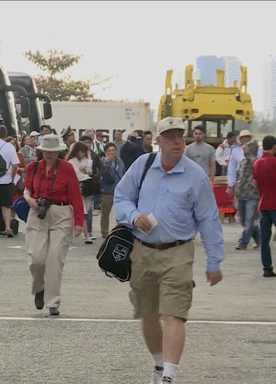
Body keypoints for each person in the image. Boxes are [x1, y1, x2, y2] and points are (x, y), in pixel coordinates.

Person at [114, 117, 224, 384]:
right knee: (148, 313)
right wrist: (133, 215)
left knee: (174, 313)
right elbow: (122, 196)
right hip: (143, 250)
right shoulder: (143, 165)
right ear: (158, 141)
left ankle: (169, 377)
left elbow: (209, 219)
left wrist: (214, 261)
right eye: (170, 136)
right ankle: (159, 364)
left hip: (179, 251)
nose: (177, 141)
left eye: (180, 136)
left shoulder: (195, 175)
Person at [23, 134, 83, 316]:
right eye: (46, 151)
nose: (49, 155)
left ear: (58, 151)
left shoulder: (66, 168)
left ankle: (53, 301)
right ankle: (39, 287)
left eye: (52, 151)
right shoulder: (33, 167)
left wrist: (79, 222)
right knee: (37, 258)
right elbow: (27, 188)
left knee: (55, 257)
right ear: (41, 150)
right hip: (37, 211)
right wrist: (28, 199)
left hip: (61, 214)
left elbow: (75, 195)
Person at [252, 135, 276, 278]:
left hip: (264, 204)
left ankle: (267, 268)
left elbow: (255, 185)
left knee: (264, 239)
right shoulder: (274, 162)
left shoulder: (257, 164)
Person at [66, 142, 94, 244]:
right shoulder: (70, 162)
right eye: (82, 152)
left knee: (84, 211)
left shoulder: (85, 160)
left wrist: (86, 170)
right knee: (82, 212)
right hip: (75, 188)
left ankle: (83, 235)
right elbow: (76, 175)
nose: (83, 154)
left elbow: (90, 170)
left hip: (85, 189)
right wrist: (86, 175)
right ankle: (86, 236)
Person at [234, 141, 260, 251]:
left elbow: (252, 160)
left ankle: (243, 242)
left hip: (252, 196)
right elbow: (238, 177)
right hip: (241, 195)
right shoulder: (243, 162)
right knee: (244, 220)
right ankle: (259, 239)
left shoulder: (257, 162)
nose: (244, 150)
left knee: (249, 220)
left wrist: (249, 153)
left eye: (246, 148)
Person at [99, 142, 125, 238]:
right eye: (109, 151)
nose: (111, 153)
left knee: (121, 211)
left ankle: (120, 229)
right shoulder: (103, 162)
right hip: (107, 190)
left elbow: (123, 172)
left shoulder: (119, 161)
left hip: (119, 189)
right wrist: (107, 163)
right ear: (106, 152)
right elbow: (104, 175)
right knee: (105, 212)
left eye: (113, 150)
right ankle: (104, 232)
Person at [227, 129, 261, 198]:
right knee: (240, 206)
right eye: (243, 137)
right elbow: (232, 168)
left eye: (247, 137)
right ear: (240, 139)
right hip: (240, 183)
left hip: (252, 182)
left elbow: (259, 164)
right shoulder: (235, 151)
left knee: (251, 206)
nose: (246, 139)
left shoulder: (258, 150)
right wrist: (230, 185)